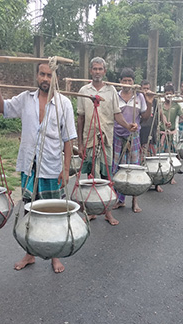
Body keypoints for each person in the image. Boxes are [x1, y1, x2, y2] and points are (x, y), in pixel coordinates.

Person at [0, 62, 76, 274]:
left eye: (49, 75)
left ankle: (55, 255)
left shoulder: (64, 104)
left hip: (52, 166)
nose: (45, 79)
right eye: (42, 74)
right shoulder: (26, 99)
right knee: (28, 211)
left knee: (53, 212)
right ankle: (30, 253)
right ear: (37, 76)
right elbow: (1, 108)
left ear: (56, 78)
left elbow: (69, 138)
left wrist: (66, 167)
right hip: (29, 166)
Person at [77, 57, 137, 226]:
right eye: (94, 69)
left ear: (104, 71)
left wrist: (127, 126)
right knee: (91, 177)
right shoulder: (84, 90)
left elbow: (116, 114)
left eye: (100, 69)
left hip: (106, 140)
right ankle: (91, 211)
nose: (97, 72)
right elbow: (80, 118)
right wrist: (80, 143)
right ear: (90, 71)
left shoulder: (111, 91)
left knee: (106, 176)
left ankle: (107, 212)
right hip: (89, 140)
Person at [112, 68, 152, 213]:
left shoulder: (139, 97)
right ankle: (119, 199)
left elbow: (145, 117)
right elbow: (114, 116)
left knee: (134, 168)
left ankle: (135, 201)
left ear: (133, 82)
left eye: (130, 81)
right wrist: (127, 126)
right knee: (116, 168)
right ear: (120, 82)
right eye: (124, 81)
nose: (127, 83)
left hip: (134, 137)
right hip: (117, 135)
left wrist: (150, 103)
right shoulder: (115, 96)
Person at [139, 80, 158, 157]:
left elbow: (158, 113)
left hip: (151, 129)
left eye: (148, 88)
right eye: (144, 88)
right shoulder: (138, 99)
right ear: (141, 89)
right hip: (141, 129)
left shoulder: (154, 100)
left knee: (151, 153)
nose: (146, 90)